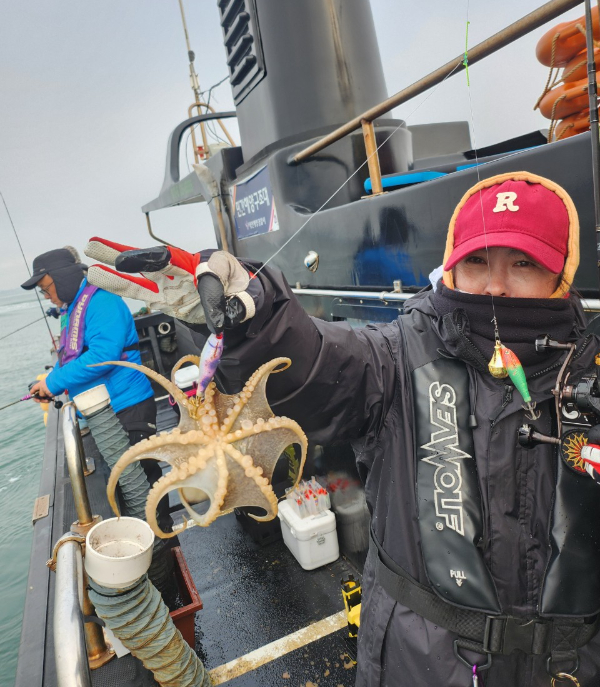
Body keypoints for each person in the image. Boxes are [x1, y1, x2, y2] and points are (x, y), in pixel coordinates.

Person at [85, 172, 600, 686]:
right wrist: (250, 320)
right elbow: (317, 366)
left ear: (562, 277)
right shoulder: (399, 355)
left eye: (524, 264)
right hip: (419, 661)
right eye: (477, 260)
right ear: (452, 267)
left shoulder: (590, 373)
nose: (494, 285)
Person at [21, 247, 171, 531]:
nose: (47, 297)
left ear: (62, 278)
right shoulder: (74, 306)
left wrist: (52, 383)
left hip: (128, 407)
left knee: (142, 485)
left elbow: (103, 356)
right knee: (122, 488)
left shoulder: (101, 301)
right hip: (105, 412)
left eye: (46, 289)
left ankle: (164, 547)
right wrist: (51, 382)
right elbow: (74, 354)